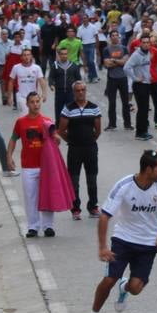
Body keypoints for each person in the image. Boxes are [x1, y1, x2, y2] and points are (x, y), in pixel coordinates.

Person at [81, 150, 157, 313]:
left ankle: (125, 287)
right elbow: (105, 216)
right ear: (148, 169)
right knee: (109, 280)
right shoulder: (124, 186)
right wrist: (102, 247)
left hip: (148, 245)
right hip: (123, 240)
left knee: (136, 288)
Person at [8, 92, 56, 238]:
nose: (36, 104)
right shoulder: (21, 122)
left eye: (37, 101)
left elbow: (55, 142)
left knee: (47, 196)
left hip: (45, 166)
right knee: (30, 197)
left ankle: (48, 226)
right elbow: (13, 139)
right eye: (32, 102)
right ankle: (33, 227)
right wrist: (8, 157)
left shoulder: (47, 121)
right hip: (28, 167)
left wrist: (56, 137)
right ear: (27, 104)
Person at [58, 80, 103, 221]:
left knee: (92, 179)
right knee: (74, 180)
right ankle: (75, 208)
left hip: (90, 149)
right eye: (78, 90)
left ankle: (93, 207)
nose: (81, 92)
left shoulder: (94, 108)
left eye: (83, 89)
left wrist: (89, 140)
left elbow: (98, 130)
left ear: (86, 90)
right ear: (74, 92)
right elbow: (61, 130)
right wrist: (71, 141)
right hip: (74, 150)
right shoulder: (68, 108)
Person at [125, 39, 155, 140]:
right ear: (140, 44)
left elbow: (145, 68)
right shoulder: (136, 55)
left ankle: (144, 131)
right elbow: (126, 68)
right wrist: (136, 78)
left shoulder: (147, 53)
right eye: (144, 43)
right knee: (142, 109)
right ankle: (139, 133)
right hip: (139, 85)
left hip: (146, 84)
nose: (146, 44)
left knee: (145, 109)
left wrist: (149, 76)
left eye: (148, 42)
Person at [49, 44, 83, 120]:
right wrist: (51, 85)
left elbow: (78, 79)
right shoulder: (55, 66)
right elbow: (51, 77)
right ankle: (58, 128)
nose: (64, 56)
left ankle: (71, 128)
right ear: (59, 55)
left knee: (71, 111)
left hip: (71, 92)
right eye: (62, 54)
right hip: (59, 92)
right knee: (59, 112)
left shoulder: (74, 66)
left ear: (68, 54)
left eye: (65, 54)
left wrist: (80, 90)